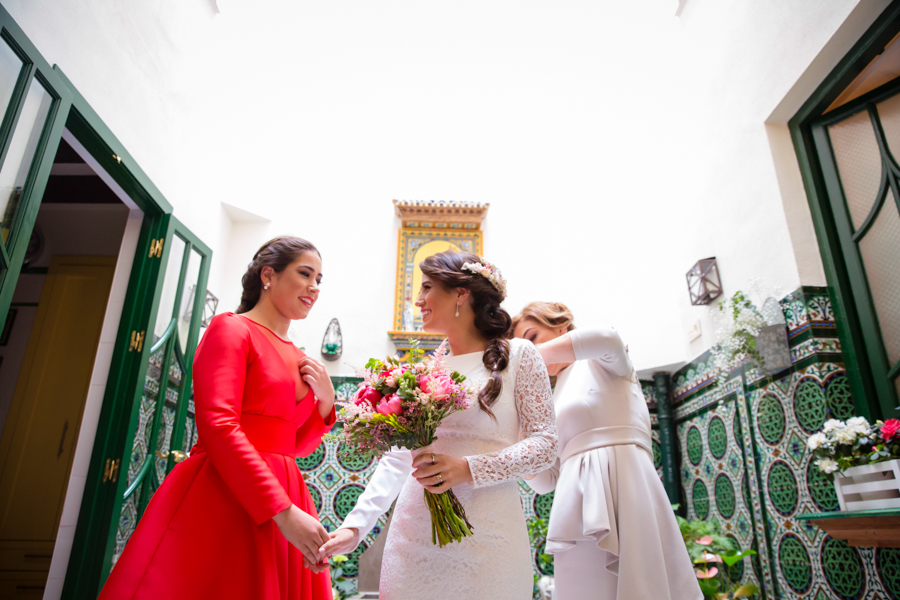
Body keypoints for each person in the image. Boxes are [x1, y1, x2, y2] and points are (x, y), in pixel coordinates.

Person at [99, 237, 336, 600]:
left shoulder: (299, 356)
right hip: (227, 492)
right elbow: (219, 427)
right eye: (305, 274)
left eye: (319, 279)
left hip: (287, 494)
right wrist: (283, 513)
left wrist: (325, 402)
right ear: (268, 275)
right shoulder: (232, 329)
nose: (314, 287)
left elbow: (297, 448)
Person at [319, 251, 557, 600]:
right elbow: (400, 460)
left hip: (489, 533)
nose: (418, 301)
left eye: (427, 288)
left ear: (461, 293)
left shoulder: (520, 355)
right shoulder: (425, 370)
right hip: (414, 535)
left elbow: (545, 445)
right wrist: (355, 526)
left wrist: (467, 469)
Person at [512, 301, 701, 600]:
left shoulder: (602, 361)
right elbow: (547, 480)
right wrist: (520, 437)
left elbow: (605, 337)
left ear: (561, 327)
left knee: (642, 582)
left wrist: (518, 357)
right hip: (576, 505)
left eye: (533, 337)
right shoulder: (548, 398)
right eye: (523, 346)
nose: (529, 349)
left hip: (625, 483)